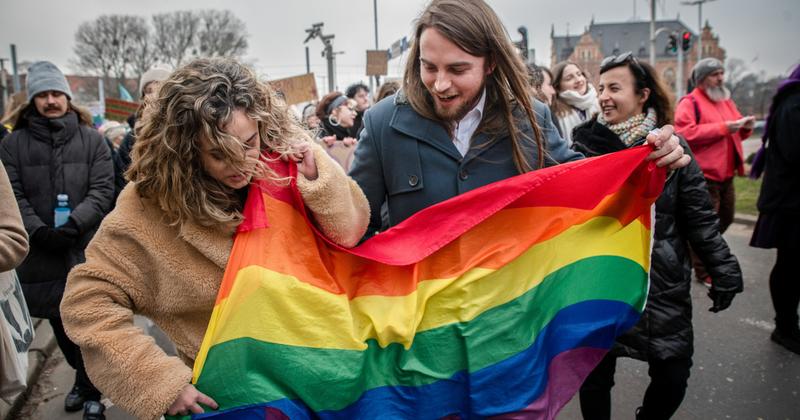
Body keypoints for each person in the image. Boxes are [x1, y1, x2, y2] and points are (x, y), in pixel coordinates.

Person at [60, 58, 370, 420]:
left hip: (329, 378)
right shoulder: (148, 207)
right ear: (184, 148)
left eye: (249, 142)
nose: (241, 163)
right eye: (219, 154)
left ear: (262, 122)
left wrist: (318, 177)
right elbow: (86, 303)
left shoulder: (289, 156)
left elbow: (350, 232)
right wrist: (159, 383)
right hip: (233, 402)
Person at [348, 0, 688, 236]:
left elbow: (587, 189)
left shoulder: (530, 118)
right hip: (418, 329)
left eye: (457, 69)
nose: (440, 83)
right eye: (428, 66)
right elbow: (355, 224)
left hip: (505, 324)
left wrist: (652, 162)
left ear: (491, 63)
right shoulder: (382, 123)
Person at [570, 52, 743, 420]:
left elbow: (699, 219)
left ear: (643, 94)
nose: (604, 96)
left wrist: (723, 268)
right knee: (595, 377)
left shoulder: (671, 150)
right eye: (600, 88)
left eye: (615, 87)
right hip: (600, 284)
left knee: (673, 375)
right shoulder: (581, 147)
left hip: (661, 284)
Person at [0, 61, 113, 418]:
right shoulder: (13, 145)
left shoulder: (93, 139)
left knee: (91, 323)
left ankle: (94, 388)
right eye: (43, 94)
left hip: (85, 248)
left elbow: (102, 188)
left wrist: (75, 225)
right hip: (40, 253)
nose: (50, 101)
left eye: (56, 93)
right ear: (32, 100)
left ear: (67, 97)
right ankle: (81, 379)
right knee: (60, 323)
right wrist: (39, 231)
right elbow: (11, 195)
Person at [674, 58, 755, 286]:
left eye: (721, 72)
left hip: (726, 175)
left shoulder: (725, 101)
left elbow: (735, 132)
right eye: (714, 74)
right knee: (706, 227)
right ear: (701, 79)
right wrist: (722, 128)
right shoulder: (690, 102)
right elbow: (685, 134)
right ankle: (703, 270)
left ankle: (692, 250)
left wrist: (744, 128)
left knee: (725, 219)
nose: (720, 77)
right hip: (704, 177)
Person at [750, 63, 800, 355]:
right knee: (790, 265)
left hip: (790, 200)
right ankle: (785, 326)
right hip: (790, 202)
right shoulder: (793, 104)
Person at [113, 65, 172, 196]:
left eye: (161, 87)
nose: (155, 95)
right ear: (144, 98)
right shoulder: (131, 139)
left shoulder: (186, 130)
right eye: (149, 90)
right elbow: (121, 181)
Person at [550, 61, 600, 144]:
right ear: (558, 86)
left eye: (579, 74)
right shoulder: (555, 114)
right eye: (569, 78)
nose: (578, 80)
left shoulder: (598, 104)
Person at [316, 91, 359, 171]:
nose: (355, 113)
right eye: (350, 109)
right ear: (335, 111)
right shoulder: (320, 133)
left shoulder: (344, 133)